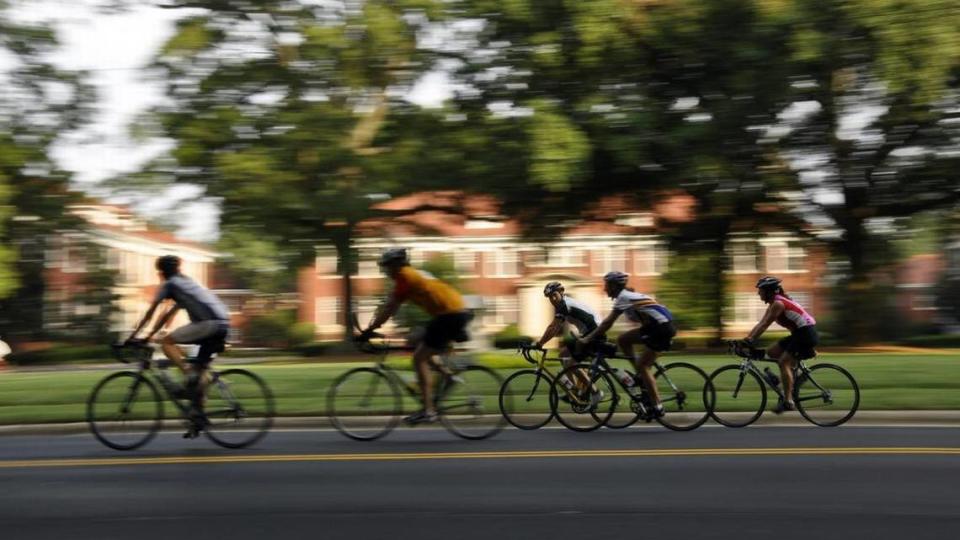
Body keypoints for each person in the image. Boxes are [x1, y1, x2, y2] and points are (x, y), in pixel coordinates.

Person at [360, 248, 472, 425]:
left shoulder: (405, 277)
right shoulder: (411, 275)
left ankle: (428, 411)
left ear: (396, 265)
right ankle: (448, 376)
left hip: (449, 315)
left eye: (387, 266)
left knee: (418, 359)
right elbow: (389, 303)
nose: (386, 271)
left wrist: (368, 330)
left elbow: (390, 308)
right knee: (414, 339)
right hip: (453, 312)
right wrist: (373, 326)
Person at [127, 255, 231, 436]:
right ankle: (198, 419)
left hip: (208, 324)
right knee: (199, 374)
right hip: (222, 324)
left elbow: (152, 312)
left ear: (160, 273)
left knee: (168, 342)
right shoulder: (186, 283)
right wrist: (149, 335)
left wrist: (134, 337)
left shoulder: (170, 285)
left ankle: (189, 374)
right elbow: (166, 315)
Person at [579, 271, 676, 417]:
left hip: (661, 328)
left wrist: (588, 339)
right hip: (656, 326)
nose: (605, 289)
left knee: (644, 365)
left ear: (613, 286)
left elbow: (607, 323)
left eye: (606, 285)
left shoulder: (623, 296)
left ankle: (658, 406)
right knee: (623, 340)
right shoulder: (628, 297)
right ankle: (640, 375)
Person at [742, 276, 818, 413]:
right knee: (771, 352)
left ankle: (788, 401)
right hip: (799, 334)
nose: (758, 293)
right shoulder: (774, 304)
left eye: (760, 290)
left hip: (805, 334)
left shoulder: (778, 304)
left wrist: (750, 341)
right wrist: (747, 338)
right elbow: (761, 323)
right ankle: (793, 378)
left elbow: (765, 325)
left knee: (784, 362)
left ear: (769, 292)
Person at [532, 281, 604, 367]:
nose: (553, 299)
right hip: (591, 330)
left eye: (554, 295)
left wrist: (540, 343)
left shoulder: (564, 305)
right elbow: (556, 328)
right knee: (564, 356)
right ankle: (577, 380)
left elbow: (553, 327)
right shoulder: (566, 303)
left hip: (593, 331)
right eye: (550, 297)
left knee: (569, 362)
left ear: (561, 292)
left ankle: (585, 380)